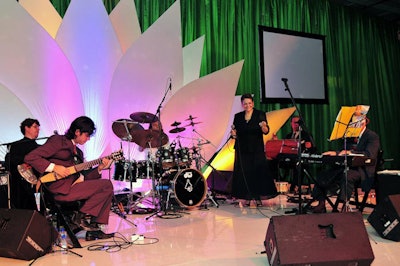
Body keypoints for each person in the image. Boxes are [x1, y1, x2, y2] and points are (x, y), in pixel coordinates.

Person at [24, 116, 115, 240]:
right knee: (106, 185)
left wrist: (100, 168)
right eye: (87, 135)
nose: (88, 139)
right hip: (58, 189)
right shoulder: (58, 141)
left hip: (73, 186)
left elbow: (83, 177)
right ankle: (79, 217)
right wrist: (54, 167)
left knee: (106, 187)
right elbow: (31, 157)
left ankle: (93, 228)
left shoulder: (78, 152)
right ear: (77, 132)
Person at [311, 114, 380, 213]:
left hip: (362, 169)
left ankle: (344, 205)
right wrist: (335, 153)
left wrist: (350, 153)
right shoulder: (350, 136)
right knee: (323, 175)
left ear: (364, 122)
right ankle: (321, 203)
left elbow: (370, 154)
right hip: (348, 166)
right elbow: (344, 150)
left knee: (347, 176)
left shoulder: (371, 136)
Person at [230, 94, 277, 206]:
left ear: (253, 103)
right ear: (242, 105)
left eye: (249, 103)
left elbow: (266, 131)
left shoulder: (259, 114)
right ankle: (246, 196)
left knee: (257, 172)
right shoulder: (238, 116)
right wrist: (233, 134)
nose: (247, 105)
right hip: (242, 149)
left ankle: (257, 196)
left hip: (256, 149)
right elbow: (235, 134)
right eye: (245, 103)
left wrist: (263, 126)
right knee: (244, 173)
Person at [4, 118, 41, 209]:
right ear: (26, 128)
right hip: (21, 186)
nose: (38, 129)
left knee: (38, 206)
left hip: (38, 183)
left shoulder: (39, 147)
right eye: (35, 126)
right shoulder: (16, 146)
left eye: (38, 127)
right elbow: (11, 161)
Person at [282, 115, 316, 192]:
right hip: (289, 159)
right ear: (291, 123)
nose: (296, 124)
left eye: (298, 122)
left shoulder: (306, 135)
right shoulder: (288, 136)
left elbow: (313, 148)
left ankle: (294, 186)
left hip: (301, 159)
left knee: (299, 165)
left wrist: (309, 147)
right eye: (294, 122)